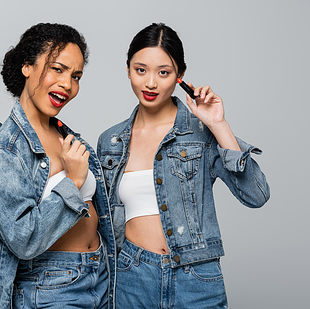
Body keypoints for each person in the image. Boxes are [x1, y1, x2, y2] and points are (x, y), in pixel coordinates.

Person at [97, 23, 270, 308]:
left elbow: (257, 195)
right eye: (141, 70)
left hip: (196, 277)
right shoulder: (110, 142)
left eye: (163, 72)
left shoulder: (200, 131)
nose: (150, 83)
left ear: (180, 76)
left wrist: (218, 124)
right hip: (132, 278)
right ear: (128, 69)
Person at [0, 23, 116, 309]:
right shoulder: (8, 150)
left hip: (99, 275)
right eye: (58, 69)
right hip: (51, 287)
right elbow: (22, 239)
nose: (68, 84)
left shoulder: (66, 134)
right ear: (27, 66)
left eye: (76, 76)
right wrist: (73, 182)